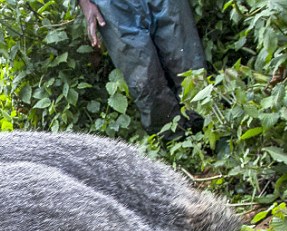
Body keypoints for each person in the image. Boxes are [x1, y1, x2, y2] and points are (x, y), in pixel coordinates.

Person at [77, 0, 205, 134]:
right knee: (146, 81)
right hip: (111, 6)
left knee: (189, 67)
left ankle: (208, 129)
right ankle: (177, 142)